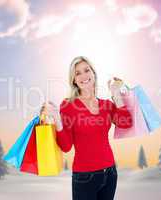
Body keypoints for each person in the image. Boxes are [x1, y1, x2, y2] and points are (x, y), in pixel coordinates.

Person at [40, 56, 133, 200]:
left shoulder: (106, 105)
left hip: (110, 174)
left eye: (86, 70)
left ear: (93, 74)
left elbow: (126, 122)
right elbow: (66, 146)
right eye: (78, 73)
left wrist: (115, 94)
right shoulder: (68, 105)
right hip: (84, 177)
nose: (83, 76)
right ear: (74, 80)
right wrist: (57, 120)